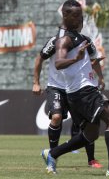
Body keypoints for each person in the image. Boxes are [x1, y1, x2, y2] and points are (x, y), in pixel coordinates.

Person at [41, 0, 109, 176]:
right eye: (75, 15)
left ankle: (52, 153)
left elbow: (89, 60)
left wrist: (97, 72)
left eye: (80, 15)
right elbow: (59, 63)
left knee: (91, 134)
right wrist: (77, 59)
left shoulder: (82, 38)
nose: (79, 18)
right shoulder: (65, 40)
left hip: (83, 91)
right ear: (65, 16)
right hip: (82, 92)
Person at [33, 27, 103, 168]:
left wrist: (101, 77)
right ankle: (52, 157)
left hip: (76, 88)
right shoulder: (55, 42)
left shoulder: (85, 41)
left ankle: (91, 159)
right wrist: (36, 82)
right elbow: (39, 59)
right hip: (56, 86)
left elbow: (93, 60)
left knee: (88, 123)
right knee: (56, 117)